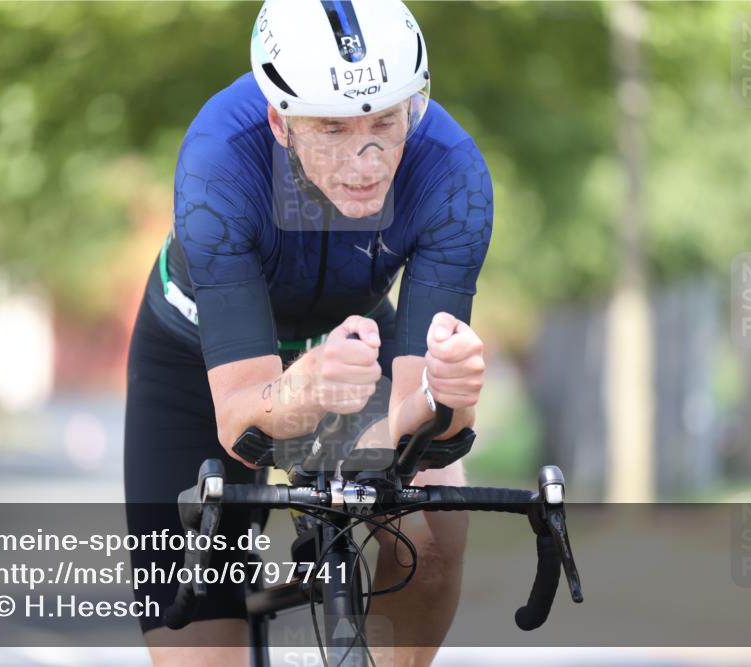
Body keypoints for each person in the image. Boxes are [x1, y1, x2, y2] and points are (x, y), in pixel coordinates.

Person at [124, 0, 493, 664]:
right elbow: (242, 424)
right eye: (331, 129)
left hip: (351, 346)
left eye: (387, 120)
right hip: (195, 358)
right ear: (280, 120)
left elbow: (417, 423)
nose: (368, 158)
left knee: (437, 521)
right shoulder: (219, 161)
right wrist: (306, 391)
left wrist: (450, 395)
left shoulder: (451, 173)